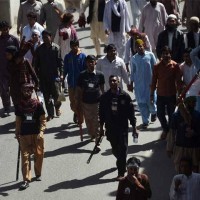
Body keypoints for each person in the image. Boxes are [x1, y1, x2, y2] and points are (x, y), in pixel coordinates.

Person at [99, 75, 137, 180]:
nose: (112, 83)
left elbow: (131, 113)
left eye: (114, 81)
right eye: (111, 81)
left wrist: (134, 127)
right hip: (110, 128)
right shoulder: (105, 97)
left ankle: (121, 172)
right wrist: (101, 128)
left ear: (118, 82)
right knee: (115, 149)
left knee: (123, 148)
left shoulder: (125, 96)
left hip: (122, 127)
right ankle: (122, 161)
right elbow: (101, 114)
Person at [15, 83, 46, 190]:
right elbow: (18, 120)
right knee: (25, 157)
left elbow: (43, 120)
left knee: (39, 154)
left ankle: (38, 173)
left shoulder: (37, 104)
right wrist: (17, 132)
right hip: (24, 135)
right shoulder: (19, 105)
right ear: (22, 92)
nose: (26, 92)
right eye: (24, 90)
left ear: (31, 91)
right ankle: (26, 179)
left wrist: (41, 132)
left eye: (28, 90)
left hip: (36, 134)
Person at [151, 46, 182, 139]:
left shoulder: (175, 66)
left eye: (167, 53)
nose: (166, 55)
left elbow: (179, 82)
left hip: (171, 95)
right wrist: (151, 94)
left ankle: (170, 133)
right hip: (160, 95)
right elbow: (153, 81)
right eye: (164, 53)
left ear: (170, 54)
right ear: (161, 55)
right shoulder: (157, 66)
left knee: (171, 116)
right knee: (160, 115)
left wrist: (179, 95)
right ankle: (166, 130)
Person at [34, 30, 63, 121]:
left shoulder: (56, 48)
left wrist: (62, 74)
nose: (45, 39)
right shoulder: (39, 49)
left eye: (46, 37)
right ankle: (50, 114)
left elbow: (60, 63)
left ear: (50, 37)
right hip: (44, 77)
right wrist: (37, 77)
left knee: (58, 95)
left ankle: (57, 108)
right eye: (43, 37)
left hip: (55, 76)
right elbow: (36, 65)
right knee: (47, 97)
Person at [76, 55, 105, 145]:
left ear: (95, 62)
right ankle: (92, 135)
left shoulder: (100, 75)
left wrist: (104, 100)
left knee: (97, 121)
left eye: (92, 62)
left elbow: (102, 89)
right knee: (89, 121)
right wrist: (78, 103)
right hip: (86, 103)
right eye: (89, 62)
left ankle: (97, 141)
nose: (91, 64)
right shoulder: (82, 75)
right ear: (86, 63)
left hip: (97, 102)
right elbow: (79, 90)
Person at [167, 96, 200, 172]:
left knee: (194, 169)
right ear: (186, 103)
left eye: (194, 103)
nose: (193, 104)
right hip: (180, 147)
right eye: (191, 103)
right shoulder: (176, 116)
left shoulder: (197, 116)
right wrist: (169, 148)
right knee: (180, 168)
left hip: (194, 148)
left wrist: (194, 133)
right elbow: (172, 133)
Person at [130, 39, 157, 129]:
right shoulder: (134, 59)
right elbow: (133, 71)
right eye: (137, 47)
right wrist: (131, 82)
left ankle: (153, 112)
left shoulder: (150, 55)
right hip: (139, 85)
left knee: (151, 101)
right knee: (141, 104)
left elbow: (155, 68)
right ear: (135, 48)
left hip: (150, 84)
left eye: (141, 46)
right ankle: (145, 121)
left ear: (144, 46)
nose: (139, 48)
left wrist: (156, 81)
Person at [64, 40, 86, 123]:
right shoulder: (68, 57)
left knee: (80, 103)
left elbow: (85, 70)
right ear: (70, 46)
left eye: (76, 46)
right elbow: (65, 69)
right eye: (72, 46)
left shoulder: (83, 56)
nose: (74, 48)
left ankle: (80, 118)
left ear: (78, 46)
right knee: (72, 104)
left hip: (80, 85)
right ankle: (77, 113)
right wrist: (63, 78)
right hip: (71, 84)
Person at [0, 21, 19, 117]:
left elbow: (19, 54)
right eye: (3, 30)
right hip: (2, 70)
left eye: (6, 29)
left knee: (15, 89)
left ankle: (17, 106)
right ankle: (7, 107)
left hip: (13, 69)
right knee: (4, 90)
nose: (5, 31)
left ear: (9, 28)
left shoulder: (14, 39)